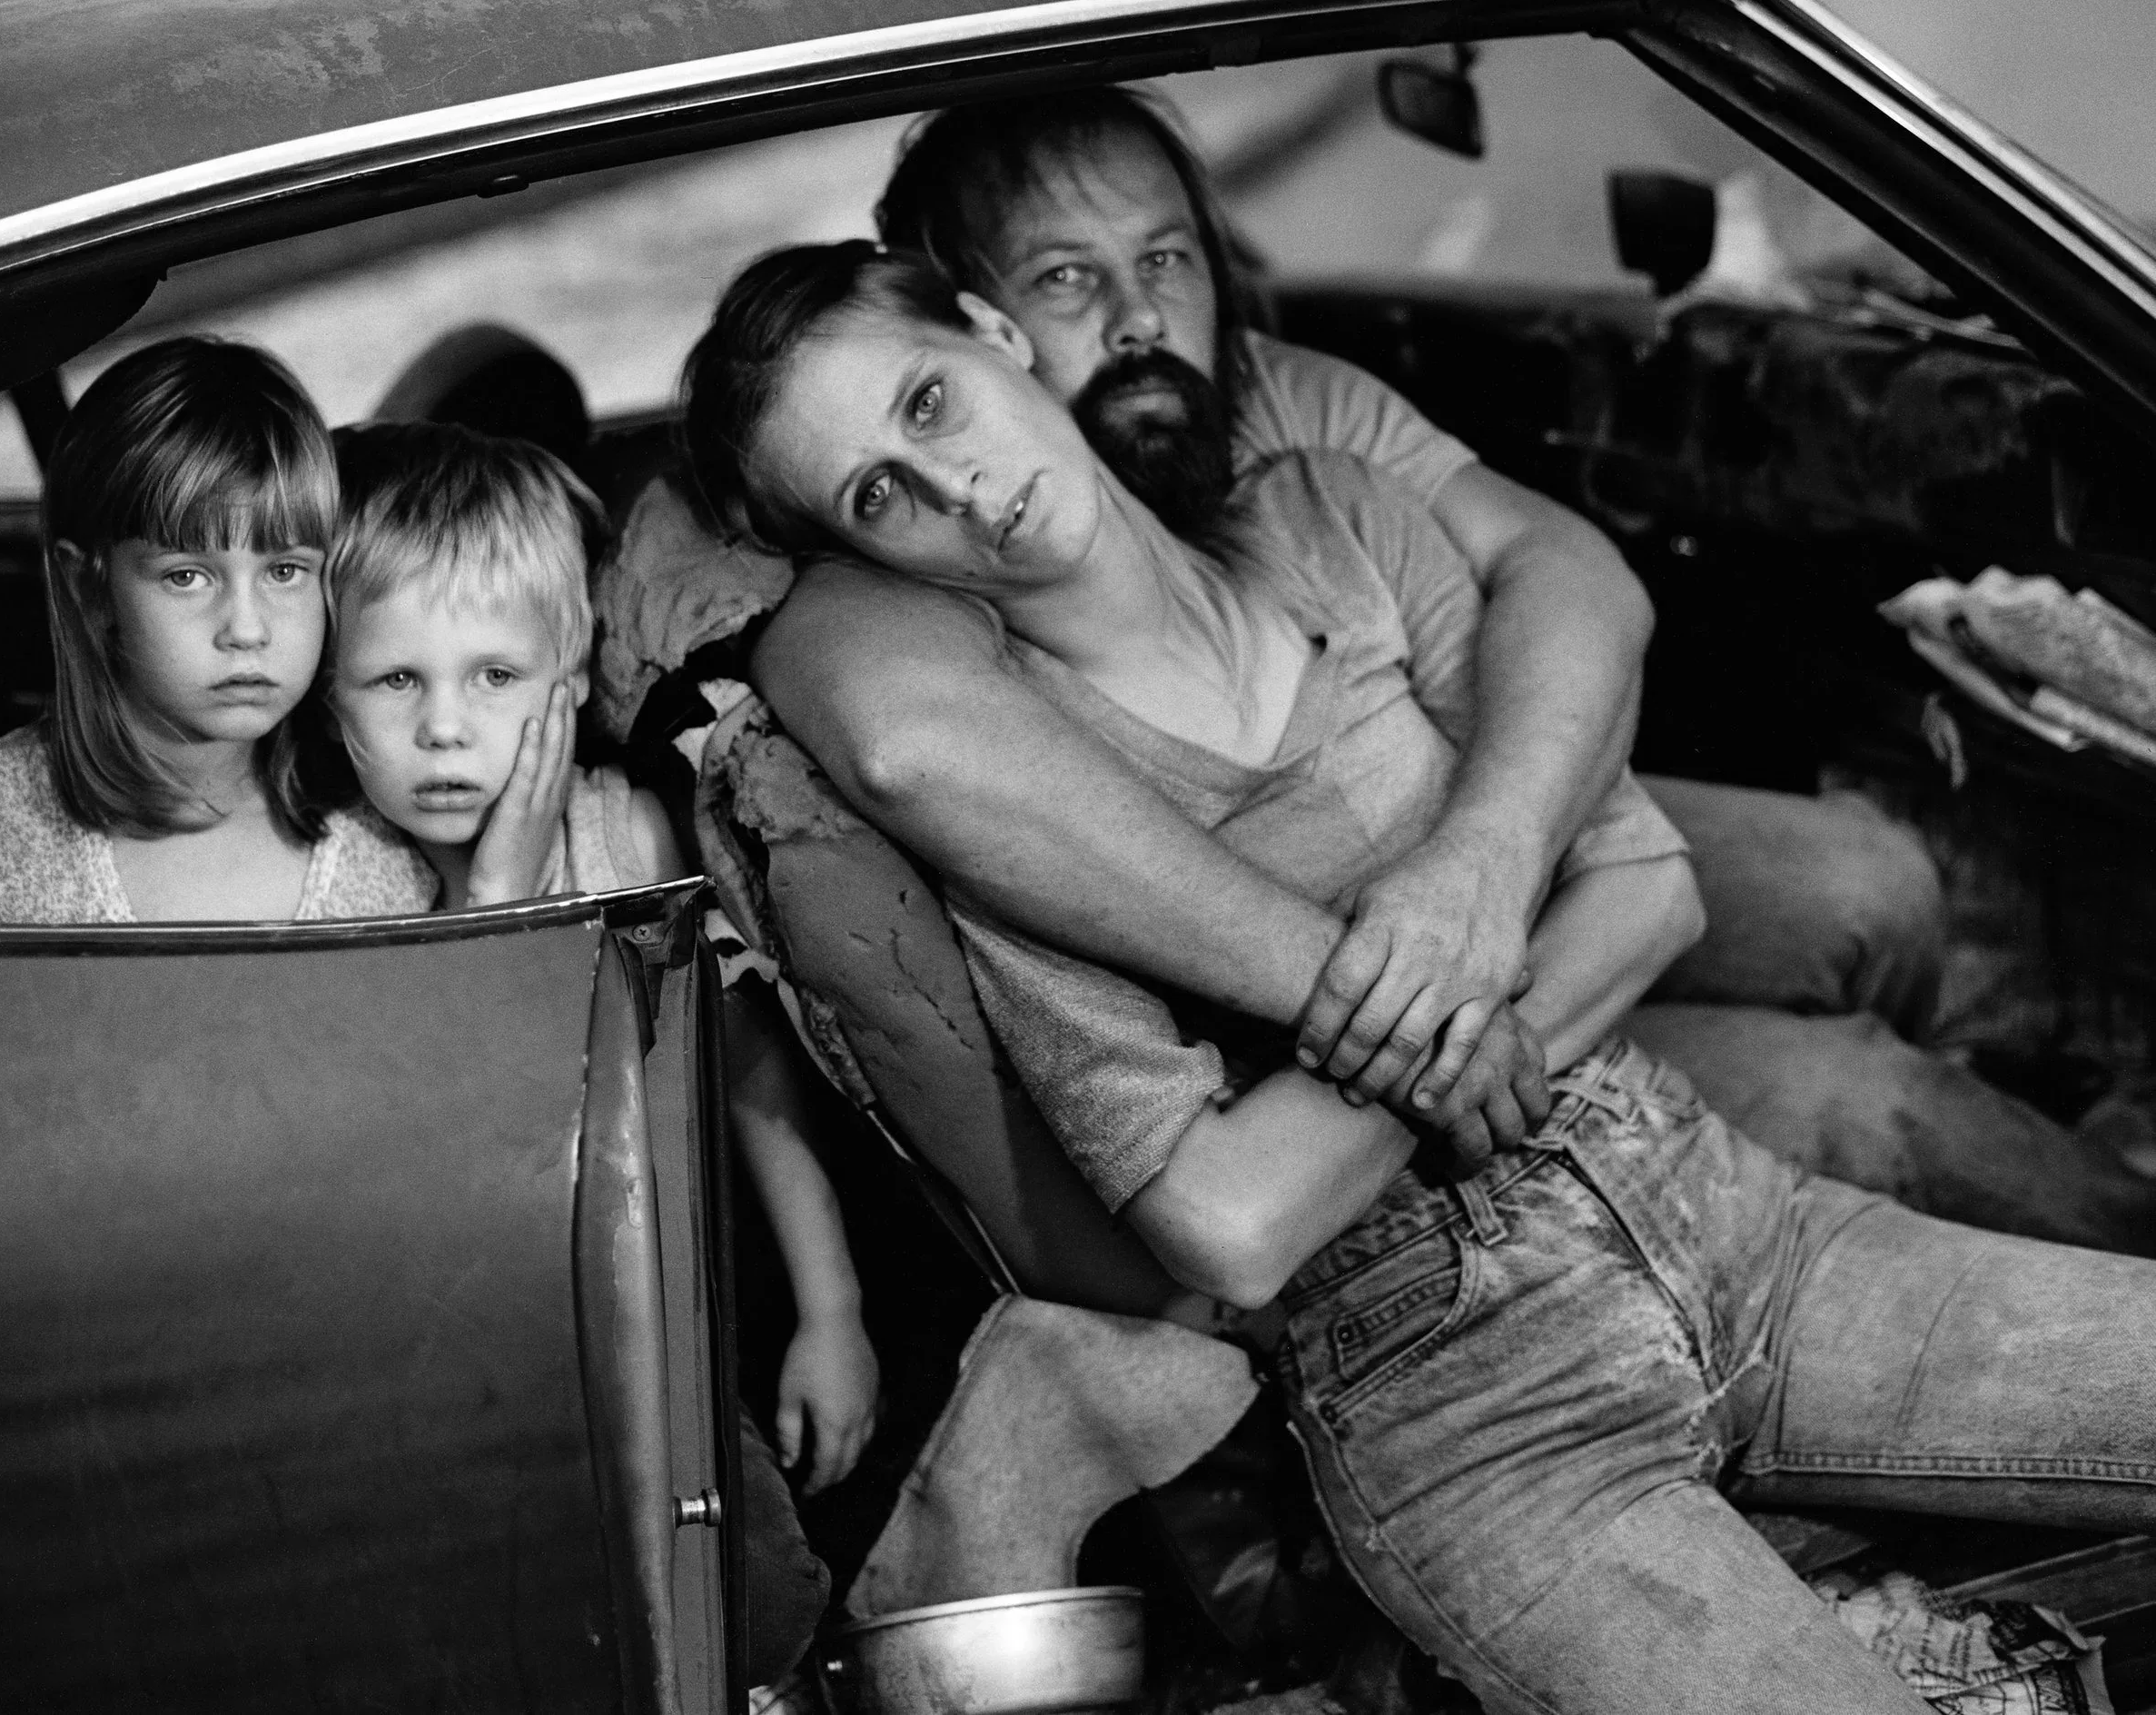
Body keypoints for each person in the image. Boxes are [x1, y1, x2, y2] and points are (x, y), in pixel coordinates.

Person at [681, 241, 2156, 1715]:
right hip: (1456, 1395)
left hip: (1723, 1209)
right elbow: (1230, 1222)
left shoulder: (1338, 519)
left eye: (931, 403)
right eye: (878, 496)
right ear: (864, 558)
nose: (949, 487)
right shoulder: (1015, 810)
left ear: (1000, 334)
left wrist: (1458, 916)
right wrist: (1462, 1030)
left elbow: (1651, 888)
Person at [741, 89, 2156, 1249]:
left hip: (1498, 848)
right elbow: (888, 725)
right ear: (973, 313)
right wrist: (1413, 1010)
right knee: (1864, 1101)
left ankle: (1881, 1201)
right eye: (1067, 277)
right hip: (1349, 1029)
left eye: (1167, 258)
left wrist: (1488, 858)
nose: (1136, 319)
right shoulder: (922, 525)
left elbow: (1574, 574)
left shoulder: (1287, 404)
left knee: (1875, 882)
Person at [321, 421, 876, 1675]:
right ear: (330, 692)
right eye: (396, 681)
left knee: (763, 1605)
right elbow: (424, 1140)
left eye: (496, 675)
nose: (448, 730)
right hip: (453, 1380)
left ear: (571, 674)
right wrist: (502, 892)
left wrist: (830, 1305)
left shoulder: (629, 835)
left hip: (656, 1345)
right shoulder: (340, 875)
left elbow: (743, 1065)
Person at [0, 337, 437, 926]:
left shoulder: (386, 826)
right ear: (89, 586)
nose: (247, 630)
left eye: (284, 570)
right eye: (187, 576)